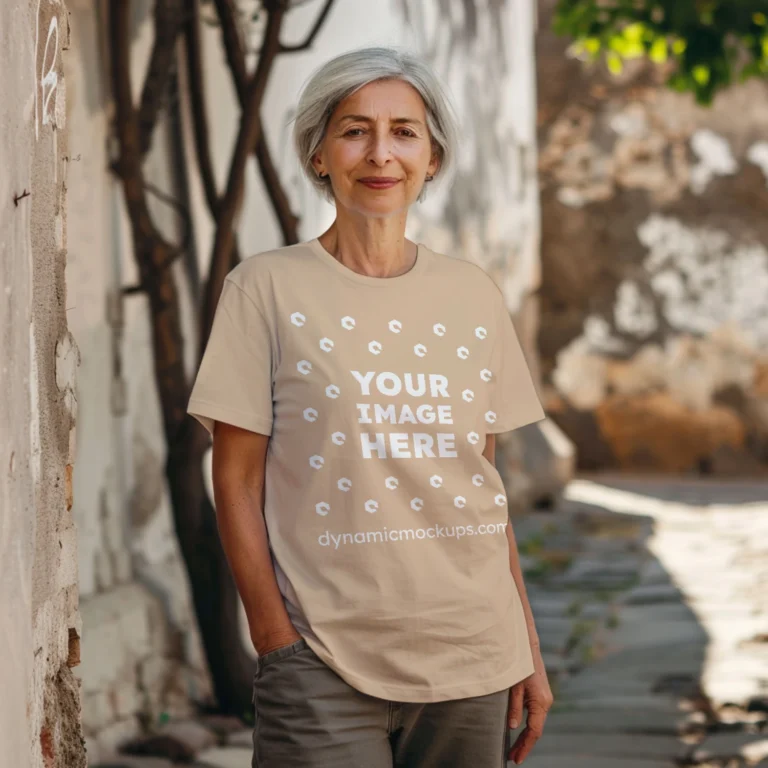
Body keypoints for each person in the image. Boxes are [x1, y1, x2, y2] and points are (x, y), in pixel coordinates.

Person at [187, 45, 552, 768]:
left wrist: (527, 650)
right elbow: (235, 480)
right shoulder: (264, 289)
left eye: (404, 132)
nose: (380, 153)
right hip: (321, 657)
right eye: (354, 130)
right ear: (319, 153)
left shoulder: (472, 294)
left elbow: (481, 487)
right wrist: (275, 639)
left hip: (472, 653)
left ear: (432, 158)